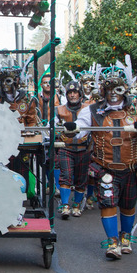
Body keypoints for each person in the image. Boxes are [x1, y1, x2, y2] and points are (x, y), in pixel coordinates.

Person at [73, 71, 137, 259]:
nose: (113, 93)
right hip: (105, 168)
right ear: (103, 91)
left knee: (129, 205)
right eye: (109, 89)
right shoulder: (91, 110)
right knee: (108, 203)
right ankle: (112, 242)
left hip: (131, 167)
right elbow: (79, 131)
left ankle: (126, 238)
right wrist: (72, 130)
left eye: (117, 89)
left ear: (124, 90)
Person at [55, 81, 90, 219]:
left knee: (82, 178)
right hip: (66, 147)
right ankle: (65, 205)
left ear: (80, 94)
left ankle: (76, 205)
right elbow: (51, 126)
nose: (73, 95)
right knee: (66, 176)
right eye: (70, 92)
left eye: (75, 92)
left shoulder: (88, 109)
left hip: (83, 147)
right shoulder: (59, 109)